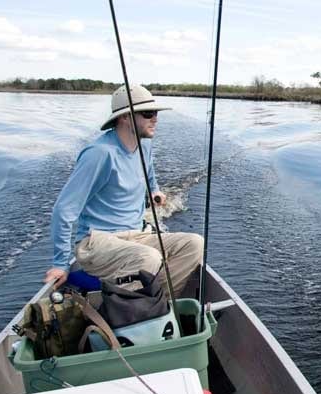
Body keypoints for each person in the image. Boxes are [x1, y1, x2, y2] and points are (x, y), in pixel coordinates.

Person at [44, 85, 203, 297]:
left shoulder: (144, 146)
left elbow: (149, 172)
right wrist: (60, 264)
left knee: (194, 243)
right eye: (148, 113)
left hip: (136, 236)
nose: (155, 119)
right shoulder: (99, 154)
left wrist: (154, 190)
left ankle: (155, 305)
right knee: (148, 258)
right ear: (125, 118)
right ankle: (116, 313)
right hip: (97, 242)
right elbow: (63, 210)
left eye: (155, 113)